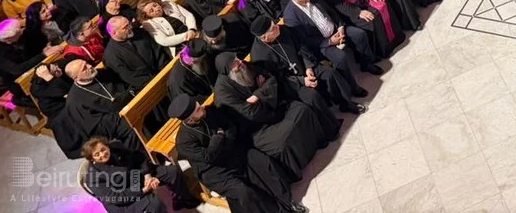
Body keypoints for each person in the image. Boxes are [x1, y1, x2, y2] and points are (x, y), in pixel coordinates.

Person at [169, 94, 308, 213]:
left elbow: (230, 126)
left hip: (232, 152)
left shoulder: (208, 112)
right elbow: (208, 156)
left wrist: (225, 141)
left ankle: (287, 203)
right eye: (198, 109)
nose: (202, 107)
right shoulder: (183, 142)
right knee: (244, 193)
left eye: (199, 105)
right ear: (190, 120)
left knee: (263, 163)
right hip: (215, 172)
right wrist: (218, 138)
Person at [212, 52, 333, 179]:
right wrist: (263, 93)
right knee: (283, 142)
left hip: (272, 107)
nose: (240, 62)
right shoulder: (223, 93)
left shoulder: (244, 66)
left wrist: (258, 95)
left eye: (237, 58)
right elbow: (249, 113)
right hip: (255, 127)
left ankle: (317, 142)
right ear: (229, 70)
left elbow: (270, 79)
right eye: (235, 63)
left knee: (302, 109)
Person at [249, 16, 366, 116]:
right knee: (312, 96)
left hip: (305, 67)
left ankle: (346, 104)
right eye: (273, 28)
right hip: (291, 84)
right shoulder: (259, 56)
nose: (277, 26)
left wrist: (308, 66)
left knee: (330, 74)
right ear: (264, 37)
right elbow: (277, 79)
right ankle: (330, 125)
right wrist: (302, 81)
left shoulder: (283, 30)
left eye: (274, 23)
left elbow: (301, 47)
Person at [281, 0, 381, 87]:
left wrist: (340, 27)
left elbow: (330, 11)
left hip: (335, 30)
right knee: (340, 58)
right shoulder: (291, 16)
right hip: (321, 43)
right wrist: (329, 42)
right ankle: (352, 87)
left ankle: (367, 64)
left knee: (359, 35)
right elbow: (305, 41)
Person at [81, 136, 198, 213]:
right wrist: (143, 190)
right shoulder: (93, 178)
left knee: (172, 172)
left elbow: (139, 157)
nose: (103, 154)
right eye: (97, 154)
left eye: (103, 149)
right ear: (92, 159)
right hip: (124, 198)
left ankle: (181, 201)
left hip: (137, 177)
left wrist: (148, 175)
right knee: (155, 205)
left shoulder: (116, 146)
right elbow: (116, 197)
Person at [102, 16, 170, 93]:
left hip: (163, 72)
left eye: (129, 24)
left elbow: (157, 51)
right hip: (145, 87)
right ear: (114, 33)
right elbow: (128, 77)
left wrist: (164, 70)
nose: (130, 27)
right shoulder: (111, 55)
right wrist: (154, 82)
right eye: (125, 27)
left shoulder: (139, 32)